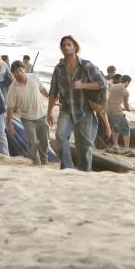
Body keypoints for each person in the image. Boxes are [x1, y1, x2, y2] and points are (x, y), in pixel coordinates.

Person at [48, 35, 106, 171]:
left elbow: (101, 83)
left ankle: (85, 173)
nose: (66, 47)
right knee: (60, 137)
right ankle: (67, 169)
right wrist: (49, 111)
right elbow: (53, 92)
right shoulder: (58, 69)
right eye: (63, 45)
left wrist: (82, 85)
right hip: (66, 110)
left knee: (84, 146)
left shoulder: (86, 65)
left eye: (69, 44)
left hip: (84, 111)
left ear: (75, 47)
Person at [7, 60, 50, 166]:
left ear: (24, 68)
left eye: (20, 70)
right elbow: (10, 106)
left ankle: (44, 161)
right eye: (16, 72)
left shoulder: (34, 77)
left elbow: (42, 89)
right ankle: (34, 161)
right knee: (33, 141)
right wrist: (9, 123)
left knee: (44, 141)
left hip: (41, 115)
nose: (19, 74)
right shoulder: (13, 87)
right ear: (13, 74)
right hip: (27, 118)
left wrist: (50, 98)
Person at [107, 75, 132, 153]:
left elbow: (113, 99)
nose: (128, 85)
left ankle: (115, 145)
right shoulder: (125, 91)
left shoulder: (112, 86)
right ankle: (127, 149)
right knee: (126, 129)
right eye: (129, 83)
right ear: (127, 82)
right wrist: (129, 109)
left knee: (115, 128)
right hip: (117, 112)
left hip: (109, 112)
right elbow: (126, 105)